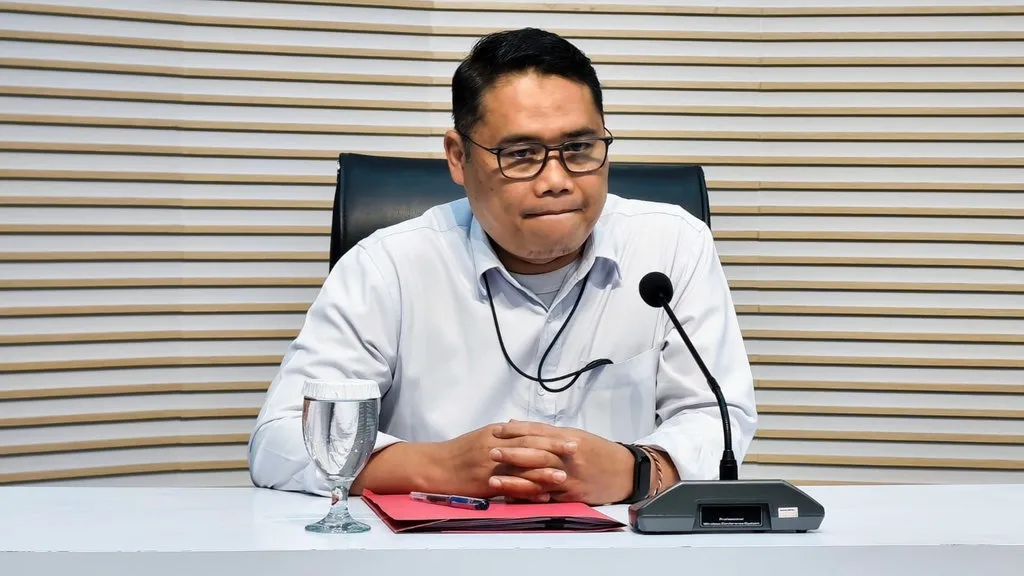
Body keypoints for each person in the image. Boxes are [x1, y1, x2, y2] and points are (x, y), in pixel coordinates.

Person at [248, 28, 757, 506]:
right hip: (433, 547)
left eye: (579, 148)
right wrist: (439, 467)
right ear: (458, 157)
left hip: (619, 544)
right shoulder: (388, 266)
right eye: (521, 153)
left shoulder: (671, 246)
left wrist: (634, 470)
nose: (556, 180)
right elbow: (281, 438)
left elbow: (716, 418)